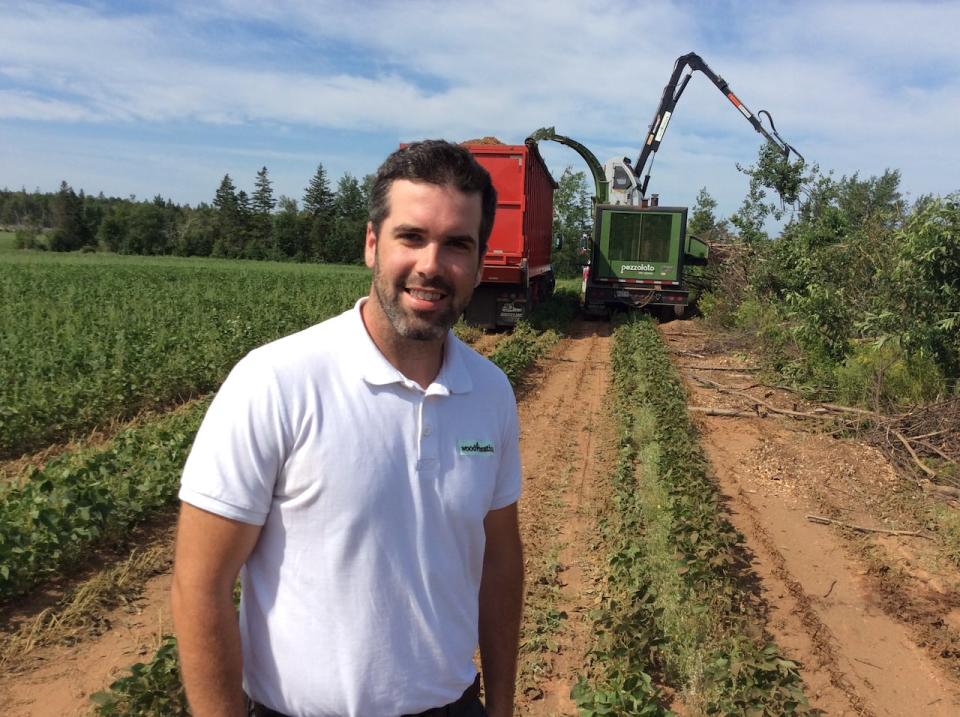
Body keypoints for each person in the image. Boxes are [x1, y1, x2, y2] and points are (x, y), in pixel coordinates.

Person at [171, 139, 524, 717]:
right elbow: (200, 585)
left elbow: (500, 560)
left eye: (456, 244)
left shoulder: (490, 392)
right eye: (411, 237)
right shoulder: (277, 381)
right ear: (371, 244)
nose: (431, 266)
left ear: (480, 264)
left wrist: (502, 707)